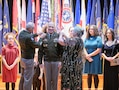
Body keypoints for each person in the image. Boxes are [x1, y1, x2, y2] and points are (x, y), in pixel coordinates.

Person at [18, 22, 45, 90]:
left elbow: (30, 36)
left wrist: (37, 34)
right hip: (28, 60)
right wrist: (41, 38)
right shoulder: (29, 37)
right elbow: (37, 45)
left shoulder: (21, 33)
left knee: (23, 77)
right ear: (31, 29)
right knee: (28, 78)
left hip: (23, 58)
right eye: (33, 29)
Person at [38, 22, 63, 90]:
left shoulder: (58, 36)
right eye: (49, 27)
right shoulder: (43, 37)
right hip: (47, 61)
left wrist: (61, 61)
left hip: (56, 61)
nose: (50, 28)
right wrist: (40, 62)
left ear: (54, 28)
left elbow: (61, 50)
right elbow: (40, 51)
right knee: (47, 80)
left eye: (52, 27)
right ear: (47, 28)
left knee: (55, 80)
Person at [84, 25, 102, 90]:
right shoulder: (87, 38)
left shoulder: (98, 38)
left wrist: (90, 55)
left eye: (92, 29)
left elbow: (99, 50)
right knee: (89, 75)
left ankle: (96, 88)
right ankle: (89, 88)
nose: (90, 30)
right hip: (88, 58)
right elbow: (84, 48)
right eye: (89, 29)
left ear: (95, 30)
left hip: (95, 58)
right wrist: (87, 56)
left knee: (95, 75)